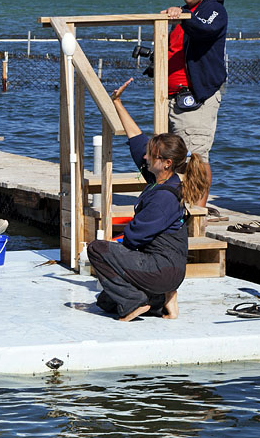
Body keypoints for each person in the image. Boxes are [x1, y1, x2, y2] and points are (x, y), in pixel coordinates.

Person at [87, 78, 211, 322]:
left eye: (150, 155)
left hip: (163, 269)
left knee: (97, 250)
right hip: (165, 268)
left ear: (165, 162)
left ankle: (139, 301)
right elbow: (136, 139)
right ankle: (165, 299)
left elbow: (134, 237)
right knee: (105, 302)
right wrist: (117, 102)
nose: (144, 156)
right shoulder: (162, 177)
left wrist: (113, 248)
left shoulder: (163, 198)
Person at [161, 0, 227, 208]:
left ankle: (197, 217)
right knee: (174, 159)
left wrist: (182, 18)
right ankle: (177, 211)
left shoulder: (213, 10)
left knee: (196, 159)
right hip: (171, 99)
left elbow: (204, 30)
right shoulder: (185, 13)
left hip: (196, 99)